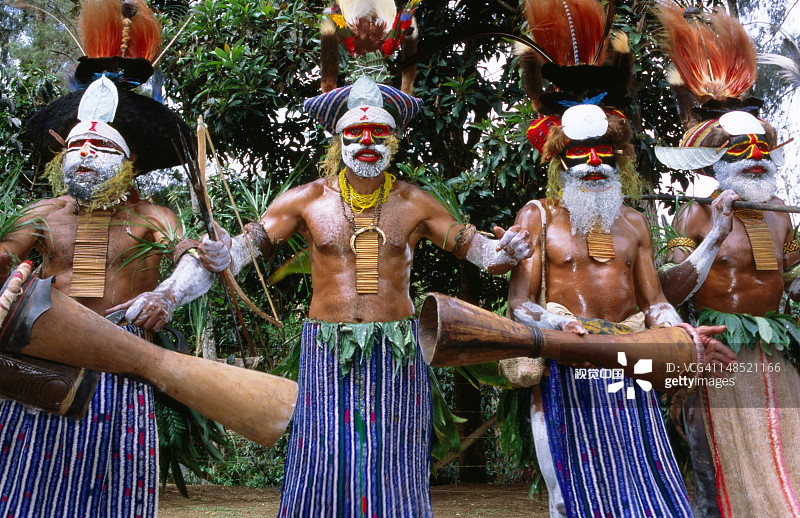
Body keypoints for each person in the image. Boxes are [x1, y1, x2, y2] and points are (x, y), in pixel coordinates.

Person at [198, 3, 531, 515]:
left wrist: (506, 249)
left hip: (397, 348)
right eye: (355, 133)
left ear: (393, 140)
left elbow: (479, 251)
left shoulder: (415, 202)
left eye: (378, 133)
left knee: (394, 461)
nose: (367, 142)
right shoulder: (306, 200)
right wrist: (226, 251)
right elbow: (249, 243)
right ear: (338, 139)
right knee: (322, 460)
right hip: (326, 347)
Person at [502, 1, 734, 516]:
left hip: (634, 362)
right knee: (573, 493)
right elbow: (519, 303)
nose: (591, 165)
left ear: (620, 158)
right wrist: (555, 322)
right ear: (558, 161)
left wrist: (682, 328)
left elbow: (655, 302)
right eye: (579, 156)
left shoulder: (632, 222)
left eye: (603, 154)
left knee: (643, 485)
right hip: (568, 363)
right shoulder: (537, 216)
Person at [0, 1, 213, 516]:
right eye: (78, 144)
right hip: (44, 353)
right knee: (27, 486)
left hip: (125, 356)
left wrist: (167, 293)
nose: (87, 153)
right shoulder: (44, 213)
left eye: (101, 144)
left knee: (117, 487)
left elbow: (195, 260)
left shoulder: (153, 217)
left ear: (127, 160)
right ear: (61, 155)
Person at [654, 6, 800, 517]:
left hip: (773, 351)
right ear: (717, 158)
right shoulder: (694, 215)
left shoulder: (783, 216)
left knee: (783, 448)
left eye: (763, 146)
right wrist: (715, 235)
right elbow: (668, 293)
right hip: (715, 352)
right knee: (713, 454)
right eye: (742, 148)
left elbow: (795, 284)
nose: (756, 155)